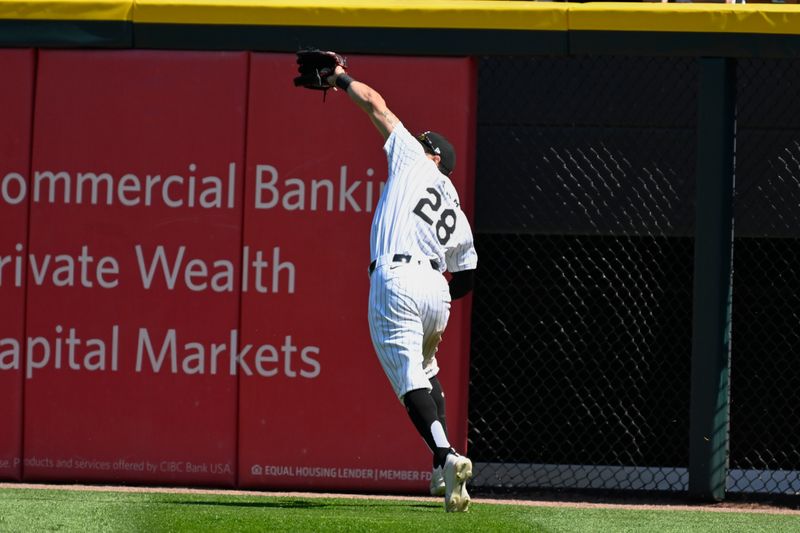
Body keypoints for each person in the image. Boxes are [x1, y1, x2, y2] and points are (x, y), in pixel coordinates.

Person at [325, 63, 478, 512]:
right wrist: (440, 293)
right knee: (427, 369)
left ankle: (446, 455)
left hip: (397, 277)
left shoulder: (414, 156)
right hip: (437, 288)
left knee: (408, 374)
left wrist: (340, 78)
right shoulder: (458, 210)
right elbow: (466, 274)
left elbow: (375, 104)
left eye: (425, 144)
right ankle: (439, 470)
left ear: (432, 157)